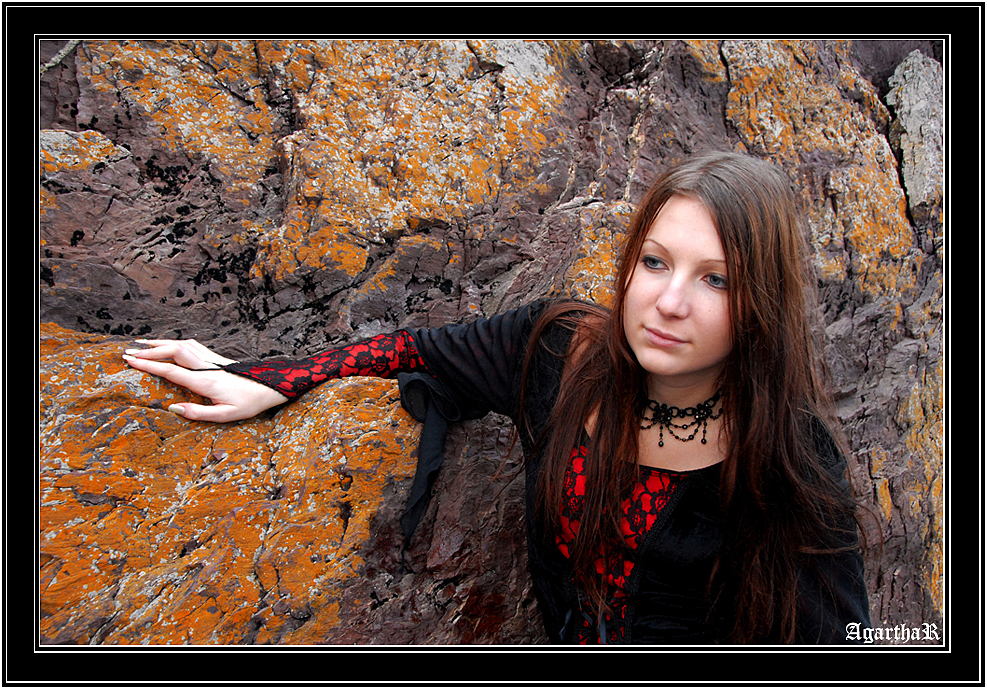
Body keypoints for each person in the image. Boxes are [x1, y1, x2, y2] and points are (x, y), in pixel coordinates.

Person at [122, 151, 872, 644]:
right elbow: (412, 350)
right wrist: (266, 378)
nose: (668, 300)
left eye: (715, 278)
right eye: (653, 261)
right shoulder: (560, 351)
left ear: (760, 303)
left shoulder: (791, 465)